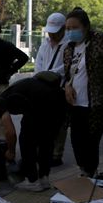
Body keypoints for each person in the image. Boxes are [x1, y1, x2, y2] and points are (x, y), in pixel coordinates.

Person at [0, 75, 67, 192]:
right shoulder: (15, 92)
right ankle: (44, 179)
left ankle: (32, 181)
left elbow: (10, 132)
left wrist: (11, 151)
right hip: (59, 104)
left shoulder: (1, 101)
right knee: (46, 142)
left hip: (41, 105)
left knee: (26, 141)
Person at [62, 7, 103, 178]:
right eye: (67, 28)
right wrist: (66, 87)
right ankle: (85, 172)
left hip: (96, 103)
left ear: (86, 26)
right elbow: (67, 74)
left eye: (74, 27)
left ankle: (90, 174)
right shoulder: (68, 49)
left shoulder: (101, 40)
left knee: (91, 143)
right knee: (77, 142)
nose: (70, 32)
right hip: (75, 104)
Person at [34, 12, 69, 167]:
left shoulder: (69, 45)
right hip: (42, 88)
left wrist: (49, 75)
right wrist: (40, 76)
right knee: (43, 123)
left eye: (55, 32)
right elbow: (39, 65)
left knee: (60, 124)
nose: (52, 35)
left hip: (59, 89)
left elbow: (65, 68)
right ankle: (44, 151)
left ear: (63, 30)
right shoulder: (45, 44)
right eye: (50, 31)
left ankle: (56, 154)